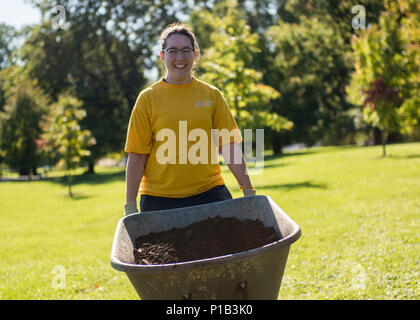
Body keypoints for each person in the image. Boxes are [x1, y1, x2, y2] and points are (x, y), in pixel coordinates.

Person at [124, 23, 256, 215]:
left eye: (186, 50)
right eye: (172, 51)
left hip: (209, 193)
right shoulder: (147, 98)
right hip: (159, 200)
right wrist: (130, 205)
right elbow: (137, 155)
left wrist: (248, 191)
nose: (180, 57)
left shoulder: (212, 95)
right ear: (163, 56)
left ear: (195, 54)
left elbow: (228, 146)